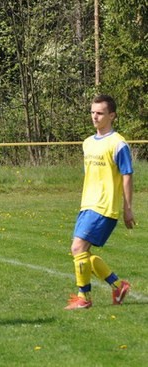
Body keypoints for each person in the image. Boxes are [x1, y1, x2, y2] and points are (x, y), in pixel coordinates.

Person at [64, 94, 136, 310]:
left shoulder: (118, 144)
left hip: (105, 206)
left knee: (77, 247)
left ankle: (84, 298)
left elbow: (127, 175)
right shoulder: (87, 143)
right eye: (92, 112)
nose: (94, 117)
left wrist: (128, 208)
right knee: (81, 252)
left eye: (100, 113)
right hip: (87, 204)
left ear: (112, 116)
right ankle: (118, 285)